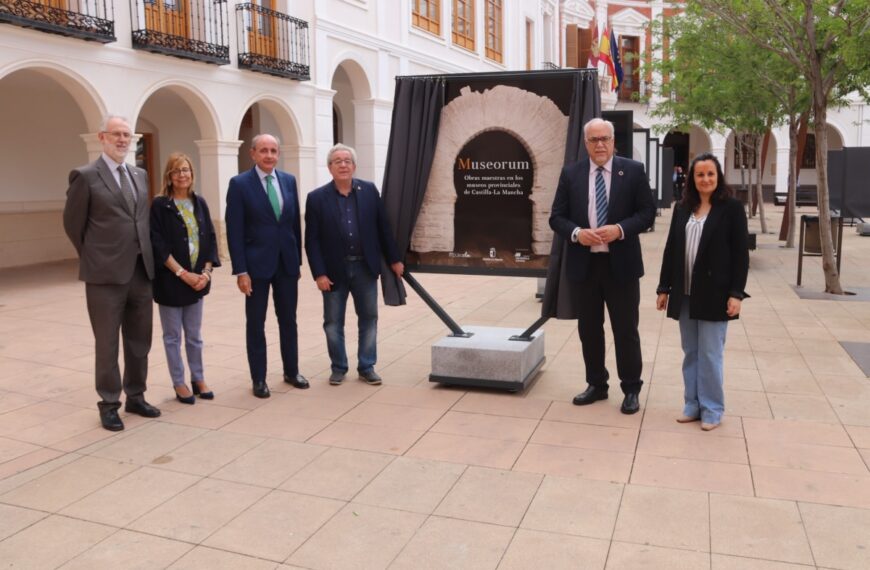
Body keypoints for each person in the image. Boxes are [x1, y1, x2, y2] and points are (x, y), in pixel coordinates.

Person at [549, 118, 656, 414]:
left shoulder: (632, 171)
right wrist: (576, 234)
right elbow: (556, 217)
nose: (599, 144)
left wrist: (620, 229)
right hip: (585, 267)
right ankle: (597, 384)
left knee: (625, 330)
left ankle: (631, 388)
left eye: (604, 139)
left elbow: (647, 213)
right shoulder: (571, 174)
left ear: (613, 141)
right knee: (589, 330)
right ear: (586, 144)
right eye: (593, 140)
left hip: (620, 266)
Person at [63, 115, 161, 431]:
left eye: (127, 135)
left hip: (140, 272)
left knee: (139, 340)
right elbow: (73, 225)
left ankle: (136, 395)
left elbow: (140, 220)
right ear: (102, 137)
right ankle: (108, 402)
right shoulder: (86, 176)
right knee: (107, 343)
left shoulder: (140, 175)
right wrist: (94, 256)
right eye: (117, 134)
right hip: (104, 276)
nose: (122, 140)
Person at [656, 153, 749, 431]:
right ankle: (692, 404)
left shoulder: (731, 208)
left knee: (710, 353)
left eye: (710, 174)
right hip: (684, 293)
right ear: (692, 178)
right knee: (691, 352)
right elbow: (671, 248)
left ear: (718, 176)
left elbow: (739, 255)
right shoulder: (683, 208)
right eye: (700, 174)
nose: (705, 179)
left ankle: (712, 408)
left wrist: (736, 293)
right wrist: (664, 288)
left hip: (715, 294)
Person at [304, 144, 404, 386]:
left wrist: (394, 259)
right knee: (332, 323)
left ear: (354, 166)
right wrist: (319, 273)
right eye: (337, 161)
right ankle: (338, 367)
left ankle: (367, 366)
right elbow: (312, 241)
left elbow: (383, 229)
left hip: (365, 268)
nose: (343, 164)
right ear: (330, 168)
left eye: (347, 160)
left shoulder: (369, 191)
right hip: (333, 272)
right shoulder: (316, 198)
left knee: (369, 318)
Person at [225, 134, 308, 398]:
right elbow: (234, 230)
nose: (269, 155)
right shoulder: (239, 185)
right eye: (263, 150)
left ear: (278, 154)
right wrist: (241, 270)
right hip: (255, 266)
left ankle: (291, 371)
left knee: (288, 320)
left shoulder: (288, 181)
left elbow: (294, 225)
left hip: (286, 264)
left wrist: (297, 261)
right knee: (256, 324)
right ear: (253, 153)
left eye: (273, 150)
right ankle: (259, 378)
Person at [150, 153, 220, 404]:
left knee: (194, 335)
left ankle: (198, 378)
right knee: (172, 336)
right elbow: (157, 245)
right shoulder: (160, 205)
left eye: (186, 170)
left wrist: (206, 273)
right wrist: (182, 273)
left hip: (198, 280)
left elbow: (210, 238)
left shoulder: (199, 202)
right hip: (171, 281)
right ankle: (179, 383)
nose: (183, 174)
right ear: (169, 176)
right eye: (177, 170)